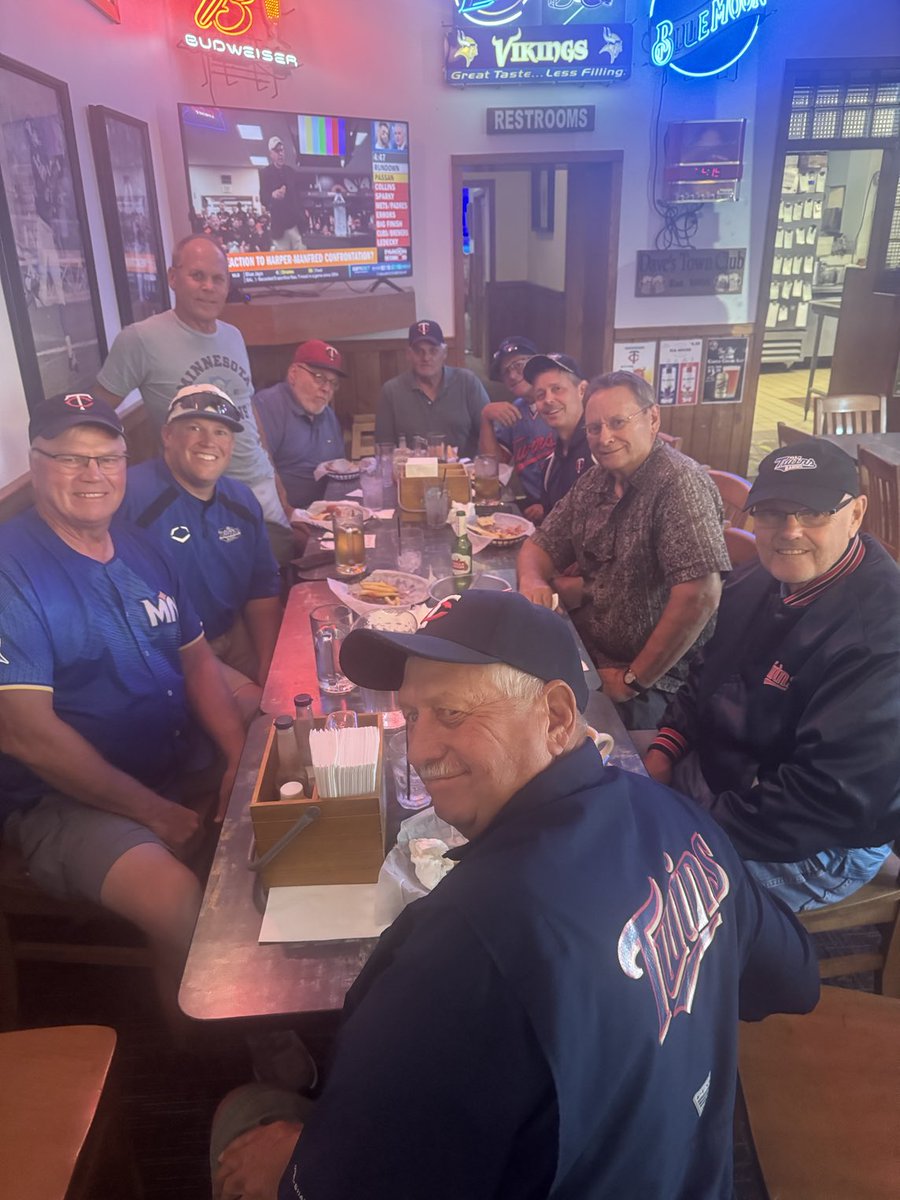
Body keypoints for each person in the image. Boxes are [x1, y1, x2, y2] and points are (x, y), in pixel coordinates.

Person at [209, 590, 818, 1200]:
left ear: (554, 716)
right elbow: (791, 977)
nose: (419, 750)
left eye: (451, 714)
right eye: (412, 716)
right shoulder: (680, 821)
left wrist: (293, 1168)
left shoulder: (461, 949)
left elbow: (346, 1181)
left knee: (245, 1111)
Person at [0, 393, 246, 1012]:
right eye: (71, 460)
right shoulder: (10, 568)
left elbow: (196, 661)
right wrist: (156, 813)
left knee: (285, 756)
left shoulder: (140, 547)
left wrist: (240, 761)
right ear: (35, 464)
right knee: (177, 900)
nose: (93, 476)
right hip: (61, 799)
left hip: (171, 759)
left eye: (107, 460)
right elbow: (25, 735)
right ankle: (218, 1050)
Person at [645, 438, 900, 911]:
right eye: (771, 513)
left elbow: (822, 802)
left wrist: (685, 821)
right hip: (727, 783)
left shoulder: (882, 637)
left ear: (857, 513)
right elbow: (706, 673)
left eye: (811, 513)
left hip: (818, 844)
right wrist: (665, 749)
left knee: (636, 892)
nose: (789, 531)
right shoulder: (757, 580)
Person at [518, 370, 730, 730]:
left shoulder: (678, 483)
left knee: (550, 744)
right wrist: (532, 580)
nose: (605, 438)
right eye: (594, 428)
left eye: (618, 423)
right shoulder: (597, 479)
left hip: (658, 685)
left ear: (653, 418)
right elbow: (538, 546)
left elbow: (700, 595)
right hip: (589, 654)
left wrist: (634, 679)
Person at [93, 234, 296, 563]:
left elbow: (247, 413)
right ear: (173, 278)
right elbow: (97, 413)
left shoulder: (234, 335)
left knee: (277, 583)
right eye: (197, 275)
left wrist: (275, 479)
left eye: (218, 279)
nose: (209, 287)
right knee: (227, 597)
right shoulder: (140, 339)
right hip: (202, 498)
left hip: (260, 486)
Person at [117, 385, 282, 723]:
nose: (209, 441)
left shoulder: (242, 499)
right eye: (194, 428)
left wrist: (269, 663)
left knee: (290, 692)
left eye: (220, 431)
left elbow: (261, 590)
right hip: (168, 650)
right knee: (261, 713)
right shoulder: (128, 494)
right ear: (167, 435)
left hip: (231, 633)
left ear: (231, 444)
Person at [252, 340, 347, 510]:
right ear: (293, 374)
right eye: (319, 377)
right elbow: (258, 478)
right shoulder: (268, 406)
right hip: (283, 517)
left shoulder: (328, 414)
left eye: (333, 383)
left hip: (325, 511)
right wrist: (290, 516)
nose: (326, 389)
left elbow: (338, 467)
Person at [375, 320, 488, 459]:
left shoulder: (468, 382)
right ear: (408, 354)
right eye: (418, 351)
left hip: (463, 475)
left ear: (444, 352)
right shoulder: (391, 391)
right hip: (412, 477)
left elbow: (490, 432)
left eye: (433, 350)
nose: (426, 358)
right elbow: (383, 450)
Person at [478, 335, 554, 522]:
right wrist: (486, 416)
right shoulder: (515, 410)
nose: (512, 375)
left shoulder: (557, 404)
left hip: (563, 507)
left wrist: (551, 504)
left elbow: (581, 468)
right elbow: (493, 464)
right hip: (532, 508)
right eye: (505, 371)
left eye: (518, 365)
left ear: (536, 364)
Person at [524, 352, 592, 514]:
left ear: (581, 389)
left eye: (557, 389)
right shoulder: (550, 466)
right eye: (540, 394)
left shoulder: (602, 449)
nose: (548, 400)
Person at [258, 136, 306, 252]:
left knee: (301, 262)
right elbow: (263, 198)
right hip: (279, 229)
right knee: (284, 266)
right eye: (277, 151)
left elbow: (298, 198)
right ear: (271, 154)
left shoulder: (291, 172)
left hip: (295, 226)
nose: (281, 154)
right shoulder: (265, 173)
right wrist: (273, 195)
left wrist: (303, 217)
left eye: (282, 150)